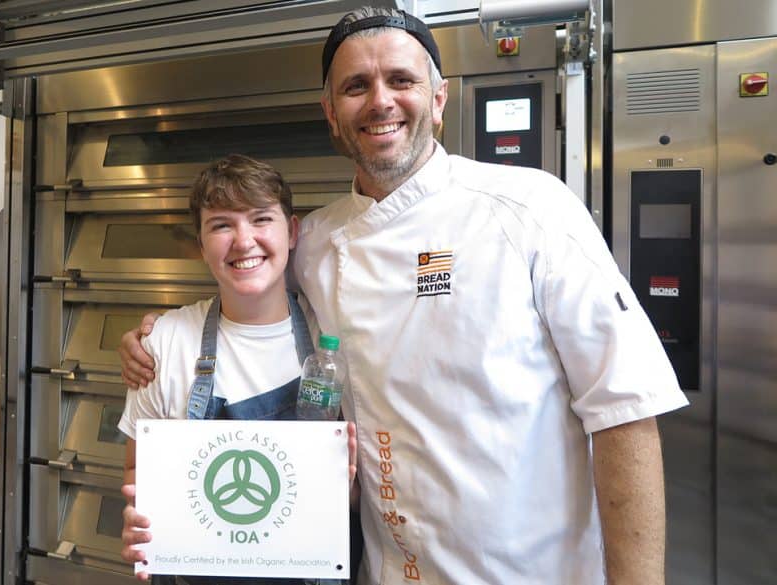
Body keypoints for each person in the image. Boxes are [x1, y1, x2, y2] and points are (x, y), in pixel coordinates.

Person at [120, 7, 688, 585]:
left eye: (401, 80)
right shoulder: (316, 241)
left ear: (438, 100)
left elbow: (624, 412)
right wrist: (154, 334)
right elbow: (243, 283)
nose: (380, 101)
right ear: (331, 114)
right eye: (355, 87)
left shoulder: (530, 210)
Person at [117, 154, 357, 585]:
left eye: (261, 219)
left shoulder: (335, 333)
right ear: (201, 242)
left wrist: (347, 487)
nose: (244, 241)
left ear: (293, 231)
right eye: (222, 225)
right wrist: (140, 516)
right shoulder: (164, 344)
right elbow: (139, 471)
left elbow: (361, 494)